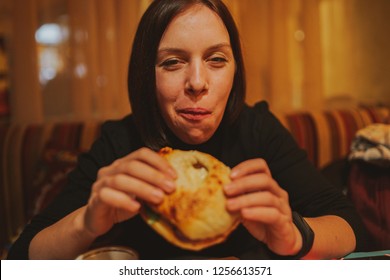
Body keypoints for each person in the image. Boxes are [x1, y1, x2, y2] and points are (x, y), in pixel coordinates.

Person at [7, 0, 367, 260]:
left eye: (216, 59)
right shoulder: (121, 143)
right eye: (173, 62)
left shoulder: (256, 128)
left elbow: (350, 226)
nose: (197, 82)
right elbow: (25, 255)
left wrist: (294, 235)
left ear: (235, 71)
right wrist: (87, 221)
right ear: (147, 76)